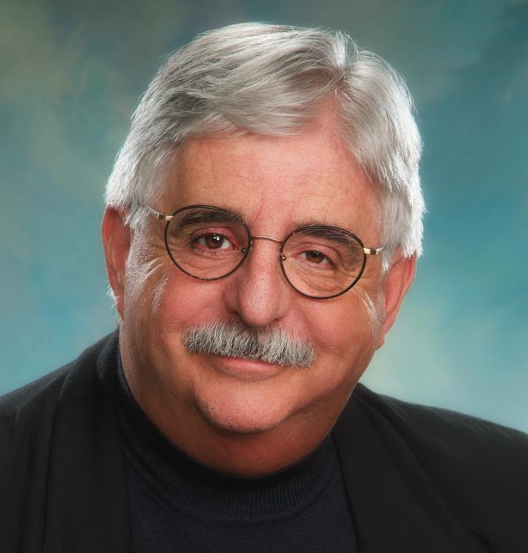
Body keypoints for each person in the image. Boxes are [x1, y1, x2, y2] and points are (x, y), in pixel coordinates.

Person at [0, 22, 527, 553]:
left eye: (317, 256)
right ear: (122, 253)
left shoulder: (509, 498)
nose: (256, 305)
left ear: (388, 296)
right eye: (212, 240)